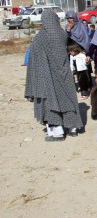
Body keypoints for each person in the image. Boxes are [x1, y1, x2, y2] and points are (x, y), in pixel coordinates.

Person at [24, 9, 84, 141]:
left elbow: (35, 58)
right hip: (64, 74)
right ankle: (72, 128)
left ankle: (57, 132)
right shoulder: (62, 34)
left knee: (51, 102)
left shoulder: (41, 37)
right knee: (67, 99)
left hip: (48, 75)